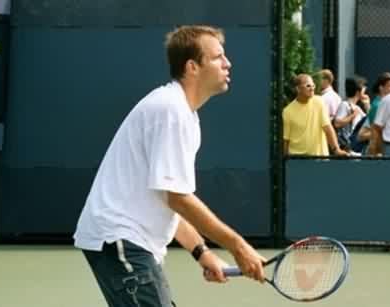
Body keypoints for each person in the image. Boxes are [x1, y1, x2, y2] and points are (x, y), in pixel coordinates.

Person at [73, 25, 266, 307]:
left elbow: (168, 198)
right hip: (120, 239)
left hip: (127, 242)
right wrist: (238, 246)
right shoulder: (170, 111)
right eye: (218, 57)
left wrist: (202, 253)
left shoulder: (183, 115)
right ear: (192, 67)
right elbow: (179, 199)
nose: (228, 63)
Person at [283, 74, 347, 156]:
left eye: (313, 85)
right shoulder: (287, 111)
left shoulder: (319, 102)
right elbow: (286, 140)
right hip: (297, 160)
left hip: (319, 159)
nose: (312, 88)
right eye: (308, 86)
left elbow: (328, 128)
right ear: (298, 89)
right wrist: (285, 161)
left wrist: (336, 150)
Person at [333, 76, 368, 152]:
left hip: (356, 146)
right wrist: (353, 115)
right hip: (347, 147)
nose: (365, 90)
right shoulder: (345, 105)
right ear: (358, 91)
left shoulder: (358, 108)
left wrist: (367, 106)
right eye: (364, 88)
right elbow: (337, 123)